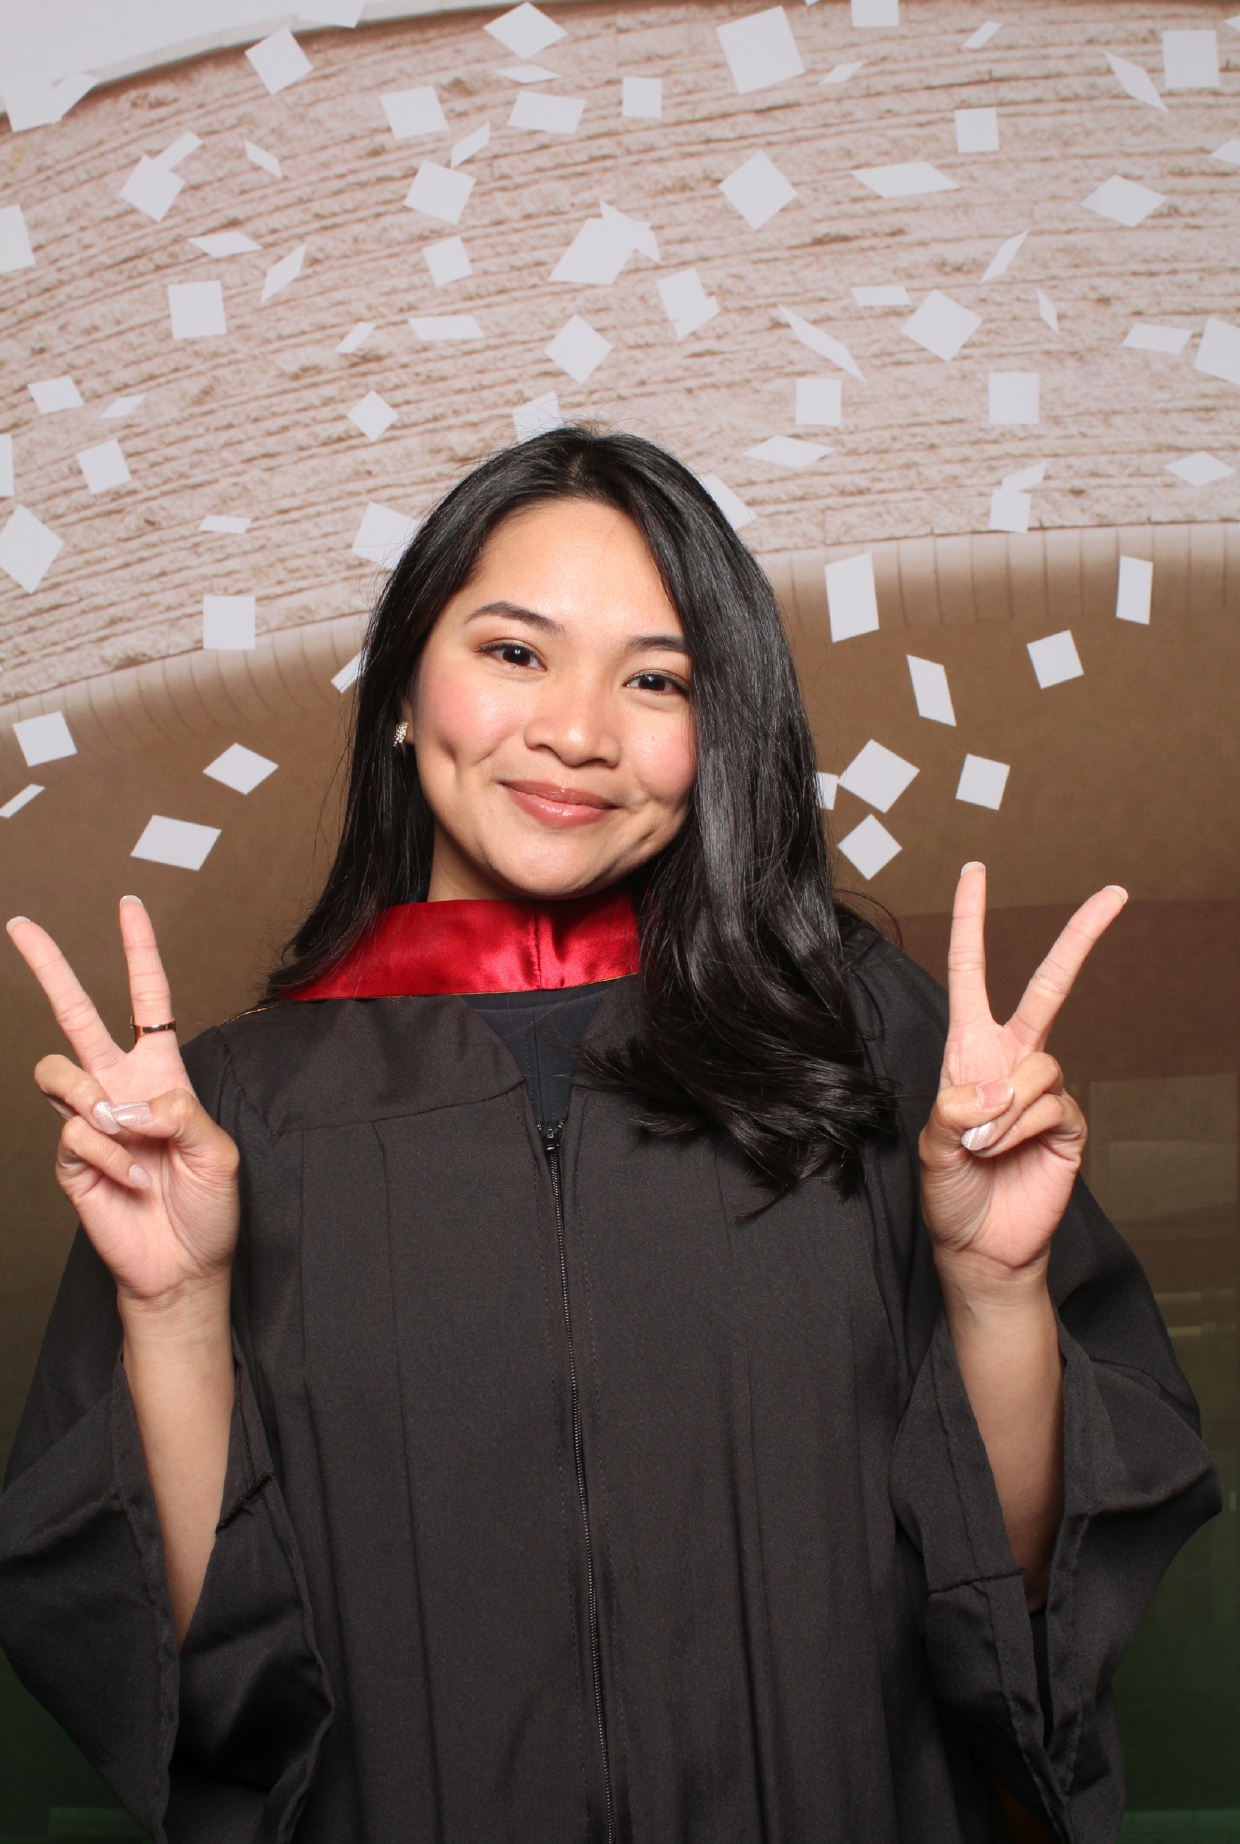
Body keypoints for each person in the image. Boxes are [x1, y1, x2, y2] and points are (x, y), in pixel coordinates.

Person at [0, 429, 1218, 1844]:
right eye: (516, 652)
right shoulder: (227, 1120)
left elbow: (1016, 1604)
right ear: (404, 688)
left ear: (723, 731)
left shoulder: (862, 1049)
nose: (578, 732)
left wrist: (995, 1288)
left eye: (657, 680)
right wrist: (174, 1310)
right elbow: (203, 1690)